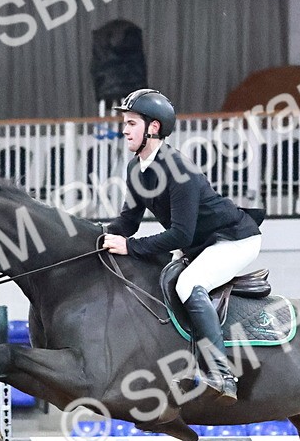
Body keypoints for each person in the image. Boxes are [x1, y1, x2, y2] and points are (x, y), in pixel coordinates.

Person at [102, 88, 261, 404]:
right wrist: (95, 238)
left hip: (234, 239)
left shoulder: (179, 170)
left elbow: (180, 236)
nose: (124, 129)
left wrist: (130, 247)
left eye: (131, 123)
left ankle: (221, 374)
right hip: (201, 244)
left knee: (190, 283)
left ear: (153, 128)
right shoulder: (137, 169)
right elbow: (128, 223)